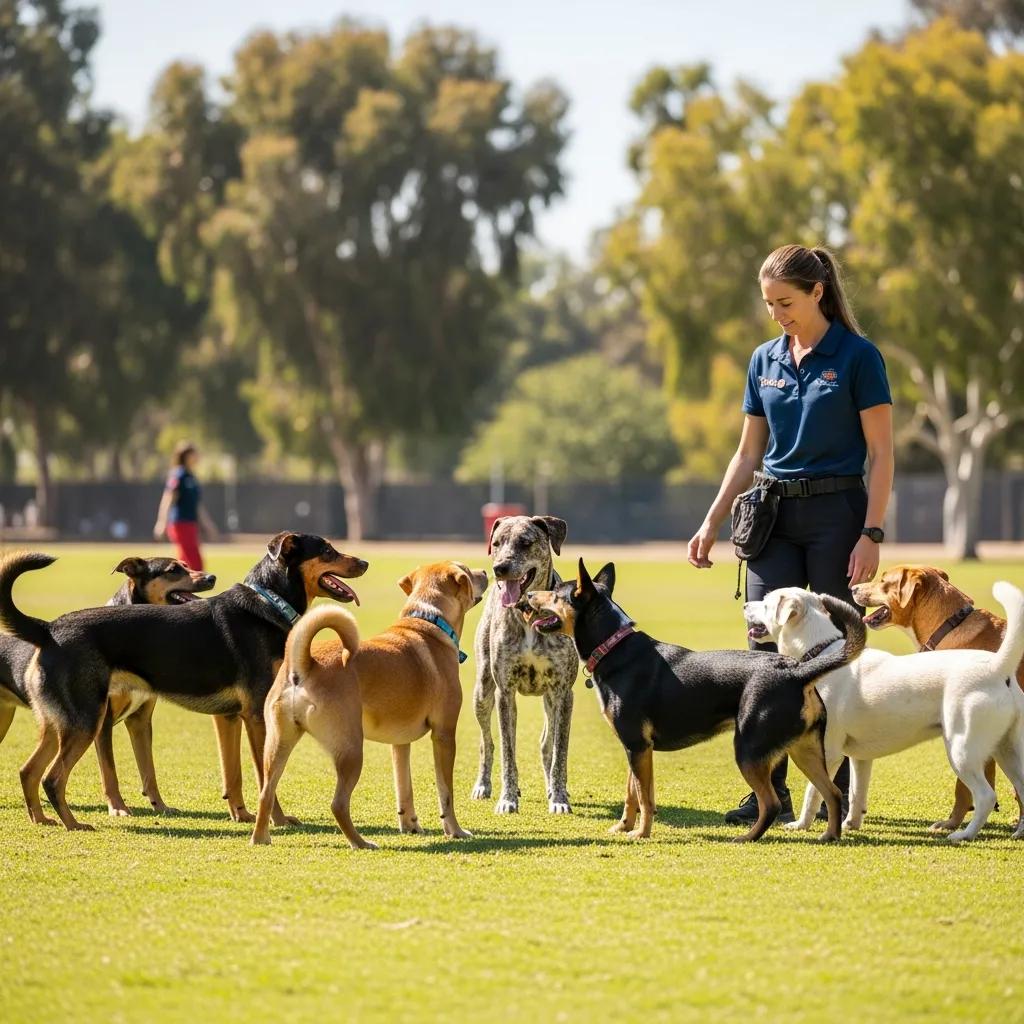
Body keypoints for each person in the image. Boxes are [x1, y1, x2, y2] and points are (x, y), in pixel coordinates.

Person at [687, 244, 894, 826]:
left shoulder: (858, 357)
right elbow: (748, 451)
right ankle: (766, 790)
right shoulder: (764, 359)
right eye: (769, 304)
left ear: (817, 292)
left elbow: (881, 454)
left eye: (786, 302)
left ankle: (840, 781)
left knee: (833, 649)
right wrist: (711, 520)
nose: (777, 314)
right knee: (762, 649)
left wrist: (871, 531)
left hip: (839, 517)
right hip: (772, 518)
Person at [154, 441, 219, 571]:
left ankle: (178, 589)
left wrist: (208, 524)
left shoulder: (192, 477)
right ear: (187, 456)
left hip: (190, 524)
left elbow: (197, 505)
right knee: (195, 564)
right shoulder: (179, 475)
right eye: (195, 454)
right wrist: (161, 523)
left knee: (185, 564)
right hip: (180, 524)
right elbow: (168, 499)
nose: (197, 457)